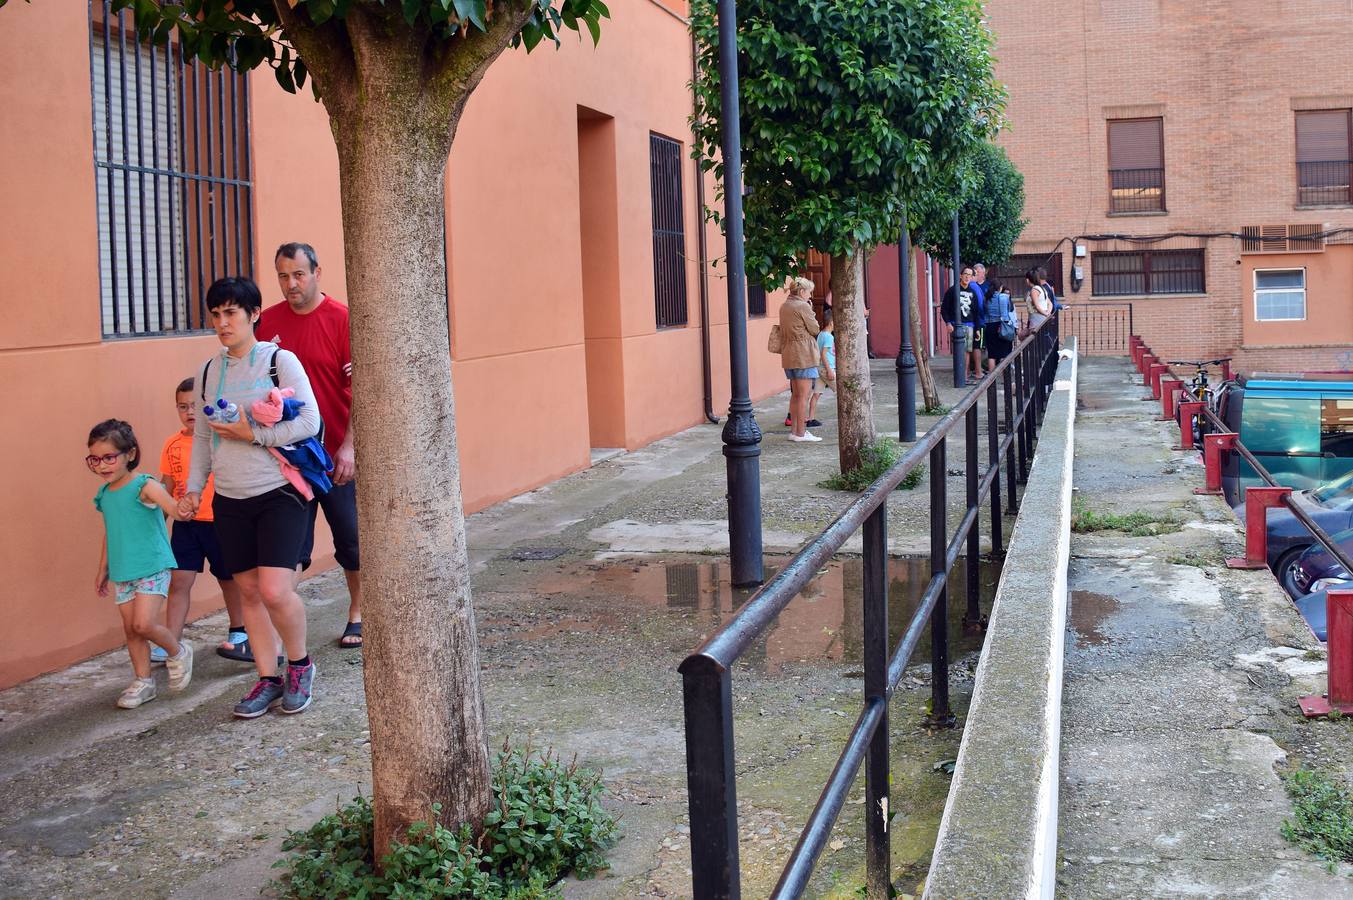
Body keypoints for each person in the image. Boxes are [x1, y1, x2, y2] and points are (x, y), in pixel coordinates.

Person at [181, 276, 322, 719]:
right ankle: (267, 678)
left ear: (254, 315)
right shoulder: (208, 371)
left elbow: (310, 423)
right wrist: (191, 489)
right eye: (216, 315)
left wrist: (254, 434)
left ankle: (300, 666)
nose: (223, 323)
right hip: (230, 498)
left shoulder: (279, 361)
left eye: (231, 314)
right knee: (248, 591)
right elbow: (203, 438)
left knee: (276, 589)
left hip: (279, 491)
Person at [257, 243, 363, 649]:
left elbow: (359, 390)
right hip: (288, 459)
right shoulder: (267, 324)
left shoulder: (342, 320)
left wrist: (349, 448)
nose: (291, 284)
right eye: (283, 276)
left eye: (299, 274)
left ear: (317, 271)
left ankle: (358, 611)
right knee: (290, 549)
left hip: (335, 454)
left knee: (350, 539)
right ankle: (284, 633)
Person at [89, 419, 194, 709]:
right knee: (132, 630)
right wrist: (103, 569)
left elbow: (172, 507)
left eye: (109, 457)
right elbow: (111, 533)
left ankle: (178, 650)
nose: (102, 465)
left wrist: (183, 509)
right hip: (124, 571)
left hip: (152, 565)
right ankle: (143, 681)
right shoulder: (105, 495)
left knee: (144, 623)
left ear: (130, 454)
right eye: (95, 459)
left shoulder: (144, 485)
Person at [157, 377, 249, 664]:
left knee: (229, 579)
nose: (190, 412)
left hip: (220, 521)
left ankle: (239, 630)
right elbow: (166, 488)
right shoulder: (171, 445)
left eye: (195, 405)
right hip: (186, 525)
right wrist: (161, 523)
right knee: (179, 581)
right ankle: (172, 641)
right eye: (183, 407)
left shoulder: (218, 438)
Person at [779, 276, 822, 442]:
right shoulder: (802, 306)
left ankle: (795, 431)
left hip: (789, 354)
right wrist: (811, 311)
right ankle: (801, 433)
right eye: (809, 292)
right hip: (803, 354)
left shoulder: (785, 306)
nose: (810, 296)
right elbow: (815, 328)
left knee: (795, 395)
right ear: (802, 291)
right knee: (804, 395)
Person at [941, 265, 984, 379]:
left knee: (967, 351)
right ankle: (961, 375)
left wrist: (978, 329)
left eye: (970, 275)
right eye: (965, 274)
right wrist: (948, 323)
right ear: (960, 275)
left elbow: (976, 313)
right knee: (959, 351)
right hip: (956, 325)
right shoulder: (952, 290)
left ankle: (964, 375)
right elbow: (944, 308)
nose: (967, 277)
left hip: (970, 325)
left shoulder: (973, 293)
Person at [981, 278, 1016, 372]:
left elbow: (984, 312)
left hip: (989, 326)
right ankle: (1005, 376)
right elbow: (1009, 310)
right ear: (1000, 288)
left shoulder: (986, 297)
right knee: (1004, 353)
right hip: (1002, 326)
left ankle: (991, 378)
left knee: (992, 354)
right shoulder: (1004, 297)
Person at [815, 307, 836, 416]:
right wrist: (829, 370)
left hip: (819, 368)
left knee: (816, 394)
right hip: (827, 368)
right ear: (832, 322)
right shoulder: (829, 337)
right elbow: (823, 354)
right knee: (842, 391)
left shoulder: (821, 334)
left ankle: (810, 418)